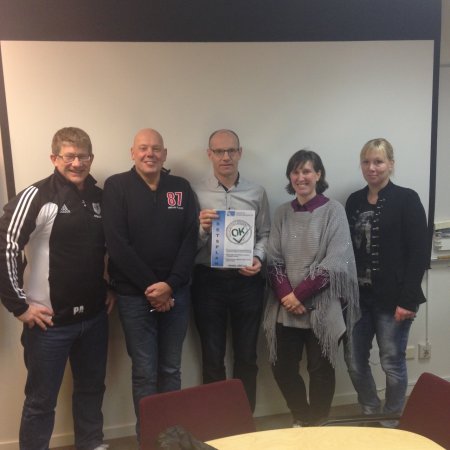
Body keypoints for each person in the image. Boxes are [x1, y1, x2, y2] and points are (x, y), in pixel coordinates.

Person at [0, 127, 114, 450]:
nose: (77, 163)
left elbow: (111, 246)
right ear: (54, 158)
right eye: (69, 156)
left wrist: (111, 286)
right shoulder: (37, 196)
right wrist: (19, 307)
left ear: (91, 158)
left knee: (92, 391)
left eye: (83, 156)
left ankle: (91, 444)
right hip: (48, 323)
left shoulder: (99, 197)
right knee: (41, 402)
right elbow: (5, 245)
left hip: (94, 318)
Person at [102, 129, 198, 441]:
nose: (150, 154)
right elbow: (117, 245)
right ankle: (149, 439)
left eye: (156, 149)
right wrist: (154, 289)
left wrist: (170, 286)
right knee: (144, 373)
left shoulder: (181, 188)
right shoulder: (117, 186)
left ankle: (172, 439)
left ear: (165, 154)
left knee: (171, 370)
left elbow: (190, 240)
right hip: (134, 297)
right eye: (143, 148)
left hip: (176, 295)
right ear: (132, 153)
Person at [263, 149, 360, 427]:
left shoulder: (334, 211)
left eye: (306, 171)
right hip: (286, 308)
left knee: (320, 370)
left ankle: (318, 422)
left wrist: (298, 295)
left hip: (323, 308)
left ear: (318, 174)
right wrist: (287, 296)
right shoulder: (282, 213)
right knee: (282, 368)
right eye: (295, 172)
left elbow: (335, 262)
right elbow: (273, 259)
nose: (301, 177)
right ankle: (302, 417)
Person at [344, 138, 428, 427]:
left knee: (392, 362)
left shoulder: (407, 199)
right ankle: (370, 412)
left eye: (378, 162)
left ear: (390, 164)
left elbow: (419, 253)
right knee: (354, 361)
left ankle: (391, 420)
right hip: (358, 298)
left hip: (394, 299)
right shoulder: (354, 201)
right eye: (366, 162)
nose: (372, 167)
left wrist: (408, 300)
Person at [191, 129, 270, 412]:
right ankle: (218, 421)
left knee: (247, 356)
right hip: (207, 281)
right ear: (209, 154)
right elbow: (185, 243)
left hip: (247, 282)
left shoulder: (256, 192)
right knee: (212, 358)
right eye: (219, 151)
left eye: (231, 150)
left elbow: (265, 234)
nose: (226, 157)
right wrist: (201, 229)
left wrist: (258, 257)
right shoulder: (194, 192)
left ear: (240, 153)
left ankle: (244, 419)